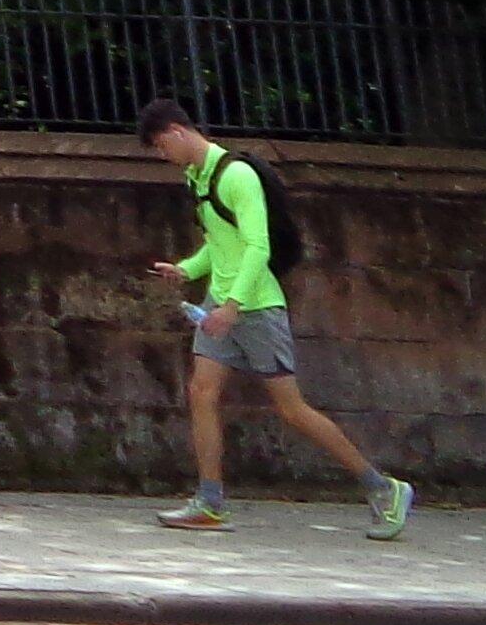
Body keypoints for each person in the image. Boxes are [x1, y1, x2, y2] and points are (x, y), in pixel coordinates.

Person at [138, 98, 410, 535]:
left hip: (255, 307)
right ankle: (209, 501)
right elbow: (221, 242)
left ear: (175, 132)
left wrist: (233, 306)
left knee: (291, 408)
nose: (161, 156)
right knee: (201, 392)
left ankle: (382, 487)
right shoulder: (197, 177)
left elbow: (257, 246)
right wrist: (187, 269)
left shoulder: (237, 175)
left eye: (159, 147)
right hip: (220, 304)